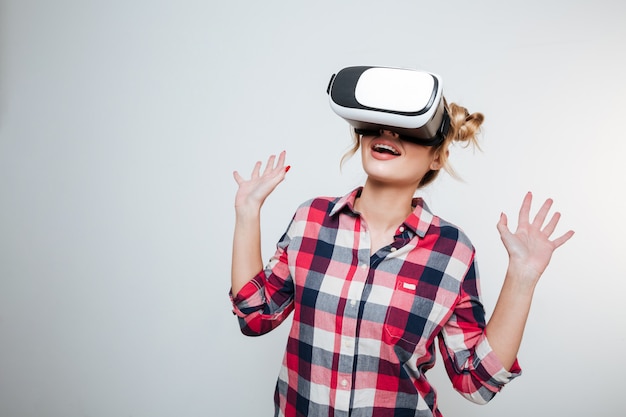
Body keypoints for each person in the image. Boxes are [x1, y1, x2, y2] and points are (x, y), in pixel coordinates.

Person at [229, 80, 574, 416]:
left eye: (407, 130)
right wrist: (247, 214)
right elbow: (256, 315)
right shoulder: (311, 219)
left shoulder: (452, 251)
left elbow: (476, 382)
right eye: (377, 125)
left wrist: (522, 277)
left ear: (437, 157)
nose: (388, 134)